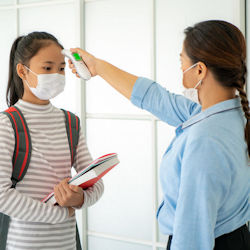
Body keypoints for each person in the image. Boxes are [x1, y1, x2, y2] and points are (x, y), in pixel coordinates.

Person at [68, 20, 250, 250]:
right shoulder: (231, 115)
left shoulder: (205, 139)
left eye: (181, 62)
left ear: (200, 70)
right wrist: (98, 67)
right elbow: (157, 98)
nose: (181, 69)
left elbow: (192, 236)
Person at [0, 31, 104, 250]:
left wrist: (79, 199)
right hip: (23, 245)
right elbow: (2, 196)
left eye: (61, 68)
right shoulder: (6, 124)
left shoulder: (70, 122)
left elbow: (96, 183)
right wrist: (60, 214)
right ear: (22, 71)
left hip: (67, 244)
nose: (56, 75)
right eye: (47, 68)